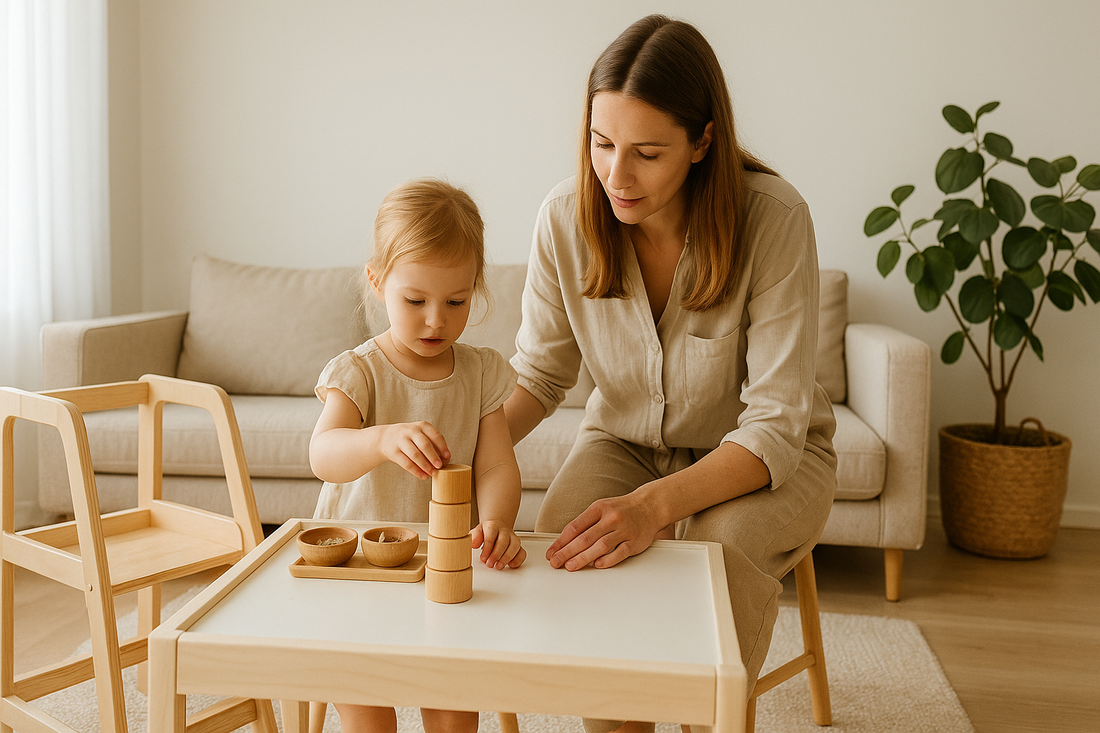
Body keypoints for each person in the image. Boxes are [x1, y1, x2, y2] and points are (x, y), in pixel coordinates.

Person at [503, 15, 837, 733]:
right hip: (623, 442)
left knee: (718, 553)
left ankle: (703, 717)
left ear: (702, 142)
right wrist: (464, 447)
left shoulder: (775, 219)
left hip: (770, 461)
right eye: (601, 143)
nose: (616, 176)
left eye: (646, 153)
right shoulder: (564, 219)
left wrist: (654, 508)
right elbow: (539, 372)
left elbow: (777, 426)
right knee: (566, 540)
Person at [309, 178, 526, 733]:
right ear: (378, 282)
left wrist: (498, 518)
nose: (437, 319)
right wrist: (380, 439)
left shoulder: (480, 373)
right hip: (359, 573)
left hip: (448, 570)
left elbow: (497, 464)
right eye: (415, 301)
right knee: (368, 713)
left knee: (454, 708)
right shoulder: (358, 372)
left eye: (456, 301)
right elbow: (324, 454)